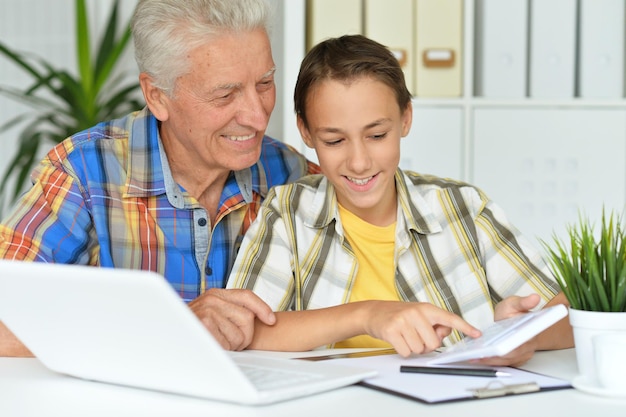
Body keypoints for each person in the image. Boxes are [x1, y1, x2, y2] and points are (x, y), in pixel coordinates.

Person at [227, 34, 573, 365]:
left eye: (377, 135)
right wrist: (368, 315)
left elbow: (565, 317)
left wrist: (521, 335)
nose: (359, 162)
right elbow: (245, 328)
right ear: (305, 132)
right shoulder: (286, 214)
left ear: (405, 118)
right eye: (334, 141)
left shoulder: (464, 208)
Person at [0, 0, 319, 357]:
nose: (258, 117)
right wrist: (173, 325)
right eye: (225, 94)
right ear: (157, 96)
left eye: (264, 83)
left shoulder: (293, 174)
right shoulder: (83, 173)